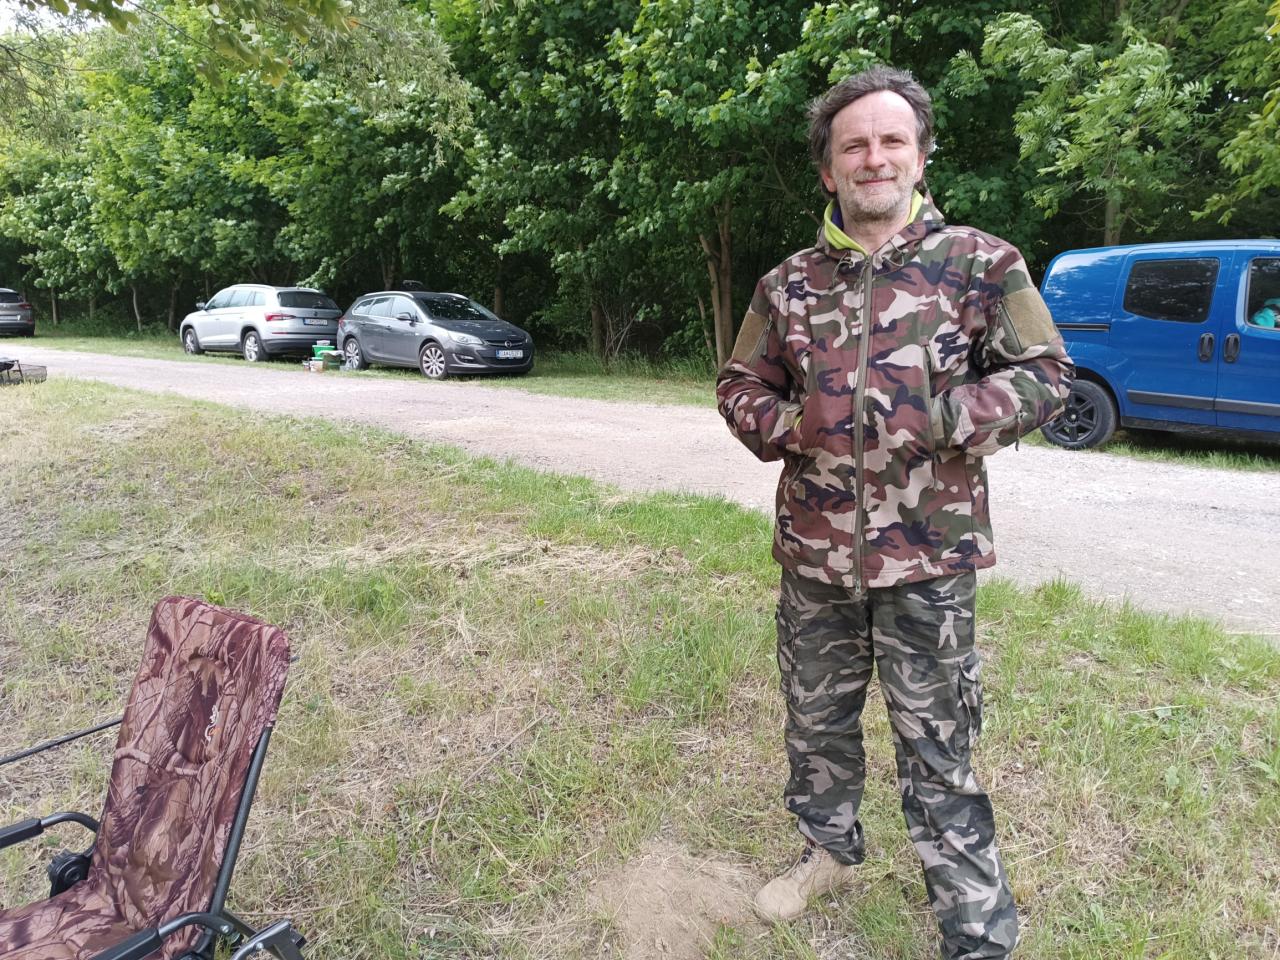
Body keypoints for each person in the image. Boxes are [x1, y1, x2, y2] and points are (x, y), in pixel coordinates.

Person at [716, 66, 1074, 958]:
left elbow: (1046, 374)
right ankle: (828, 851)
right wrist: (789, 425)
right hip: (815, 557)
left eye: (891, 141)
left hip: (930, 558)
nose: (873, 157)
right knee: (817, 723)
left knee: (938, 742)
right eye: (854, 145)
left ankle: (973, 922)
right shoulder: (786, 286)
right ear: (828, 169)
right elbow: (738, 384)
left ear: (920, 157)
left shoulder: (982, 265)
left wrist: (947, 416)